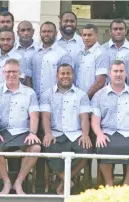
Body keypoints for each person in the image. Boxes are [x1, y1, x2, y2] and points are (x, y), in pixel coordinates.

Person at [0, 59, 40, 195]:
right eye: (8, 71)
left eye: (14, 71)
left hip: (23, 132)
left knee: (35, 147)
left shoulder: (30, 93)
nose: (11, 74)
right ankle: (6, 182)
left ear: (20, 73)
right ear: (3, 73)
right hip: (3, 132)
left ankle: (18, 182)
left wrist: (33, 133)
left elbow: (34, 115)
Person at [90, 60, 129, 186]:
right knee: (102, 145)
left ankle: (126, 184)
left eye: (121, 71)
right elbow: (95, 121)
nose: (118, 74)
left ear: (126, 74)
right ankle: (109, 182)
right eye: (115, 71)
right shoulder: (99, 95)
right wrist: (99, 135)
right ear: (110, 74)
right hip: (108, 133)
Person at [40, 63, 93, 195]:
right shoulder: (47, 94)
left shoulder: (82, 95)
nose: (65, 76)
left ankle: (65, 180)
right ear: (57, 76)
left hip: (75, 134)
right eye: (62, 74)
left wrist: (85, 134)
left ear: (73, 75)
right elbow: (45, 116)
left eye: (68, 73)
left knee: (86, 150)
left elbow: (84, 117)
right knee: (46, 148)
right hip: (55, 134)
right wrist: (47, 133)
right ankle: (68, 180)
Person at [30, 22, 76, 97]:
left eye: (49, 31)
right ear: (40, 33)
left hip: (55, 99)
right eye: (44, 31)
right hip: (36, 100)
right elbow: (30, 77)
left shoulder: (63, 54)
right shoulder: (35, 54)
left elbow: (68, 80)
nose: (46, 34)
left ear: (56, 33)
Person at [76, 24, 109, 98]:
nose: (86, 38)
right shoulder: (79, 54)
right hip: (78, 99)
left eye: (89, 35)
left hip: (93, 99)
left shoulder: (101, 53)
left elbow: (100, 82)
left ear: (97, 36)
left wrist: (86, 98)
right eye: (84, 35)